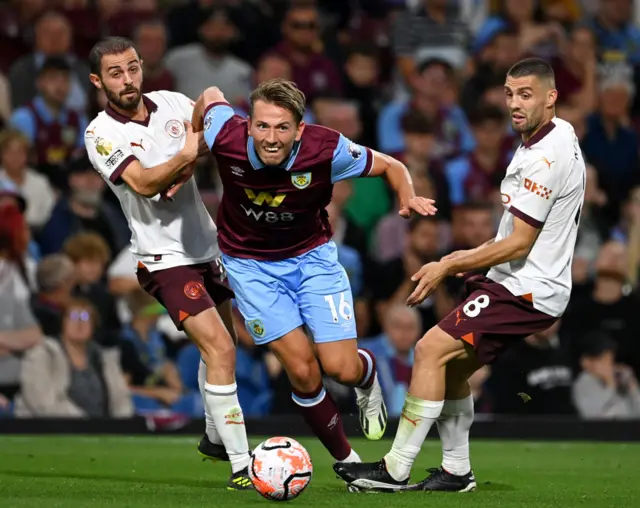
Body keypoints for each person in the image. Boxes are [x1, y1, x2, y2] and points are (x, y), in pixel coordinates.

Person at [334, 57, 586, 492]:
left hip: (527, 287)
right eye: (509, 94)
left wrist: (448, 262)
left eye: (526, 94)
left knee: (430, 349)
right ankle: (456, 471)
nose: (515, 104)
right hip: (517, 280)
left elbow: (520, 242)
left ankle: (395, 468)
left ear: (551, 97)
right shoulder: (555, 135)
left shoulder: (547, 155)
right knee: (450, 369)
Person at [184, 79, 436, 465]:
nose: (271, 137)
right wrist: (189, 147)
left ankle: (366, 377)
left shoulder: (326, 147)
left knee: (340, 367)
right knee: (302, 370)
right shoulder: (224, 132)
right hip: (250, 268)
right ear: (248, 124)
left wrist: (407, 195)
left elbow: (391, 165)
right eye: (263, 126)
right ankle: (348, 462)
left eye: (282, 127)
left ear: (299, 129)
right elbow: (210, 94)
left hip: (312, 261)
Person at [82, 37, 252, 490]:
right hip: (161, 258)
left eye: (133, 68)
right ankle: (242, 465)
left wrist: (212, 100)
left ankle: (216, 439)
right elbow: (141, 182)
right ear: (98, 81)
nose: (128, 79)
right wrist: (186, 156)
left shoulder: (172, 102)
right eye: (115, 73)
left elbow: (208, 107)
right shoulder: (101, 133)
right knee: (221, 349)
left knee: (220, 347)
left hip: (205, 248)